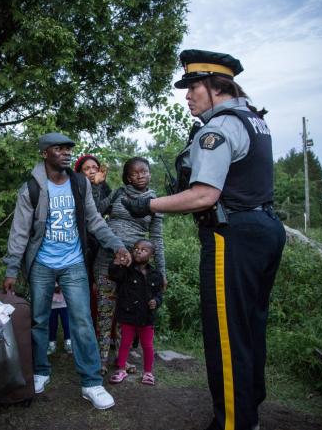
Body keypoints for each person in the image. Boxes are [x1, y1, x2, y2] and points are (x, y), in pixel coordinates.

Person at [121, 49, 286, 430]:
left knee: (225, 336)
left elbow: (203, 195)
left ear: (216, 86)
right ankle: (248, 412)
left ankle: (232, 422)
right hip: (265, 230)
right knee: (250, 329)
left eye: (193, 86)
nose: (187, 95)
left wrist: (149, 204)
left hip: (233, 237)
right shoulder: (254, 121)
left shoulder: (217, 129)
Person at [2, 132, 132, 410]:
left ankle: (91, 382)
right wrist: (12, 268)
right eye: (59, 149)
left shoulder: (79, 183)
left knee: (82, 320)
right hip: (42, 264)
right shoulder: (31, 189)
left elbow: (95, 221)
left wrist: (116, 245)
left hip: (73, 262)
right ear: (45, 153)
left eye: (68, 149)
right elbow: (20, 232)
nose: (66, 153)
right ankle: (40, 371)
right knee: (38, 319)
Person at [93, 156, 166, 375]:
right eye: (135, 173)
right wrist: (96, 186)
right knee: (105, 311)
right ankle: (101, 359)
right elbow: (96, 212)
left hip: (133, 268)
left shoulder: (154, 202)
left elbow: (157, 240)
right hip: (107, 260)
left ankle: (121, 359)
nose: (141, 175)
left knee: (126, 314)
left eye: (144, 171)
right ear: (127, 177)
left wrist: (161, 271)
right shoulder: (118, 193)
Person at [107, 239, 163, 386]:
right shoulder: (126, 270)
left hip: (146, 318)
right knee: (124, 343)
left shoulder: (156, 275)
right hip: (127, 315)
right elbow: (113, 275)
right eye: (136, 248)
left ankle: (148, 373)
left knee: (147, 345)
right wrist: (116, 263)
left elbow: (159, 294)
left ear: (151, 255)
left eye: (144, 249)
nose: (138, 251)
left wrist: (156, 302)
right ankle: (121, 369)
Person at [74, 153, 112, 336]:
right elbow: (92, 213)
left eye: (94, 168)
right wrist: (94, 186)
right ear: (79, 172)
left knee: (100, 286)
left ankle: (100, 329)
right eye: (86, 169)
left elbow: (105, 210)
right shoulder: (75, 188)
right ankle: (81, 330)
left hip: (99, 245)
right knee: (83, 286)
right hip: (80, 245)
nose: (91, 171)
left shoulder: (105, 188)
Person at [47, 284, 72, 355]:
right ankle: (52, 343)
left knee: (66, 323)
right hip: (51, 303)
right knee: (52, 324)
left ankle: (68, 342)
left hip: (64, 302)